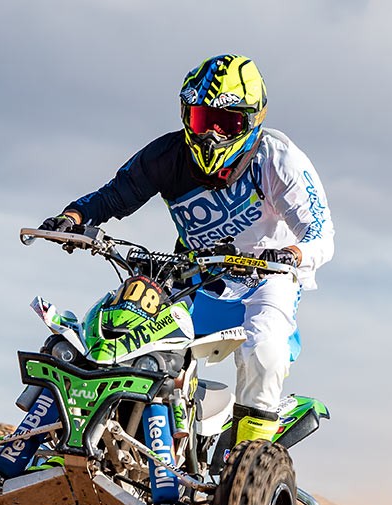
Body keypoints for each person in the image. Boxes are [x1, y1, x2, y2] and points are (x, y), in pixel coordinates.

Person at [38, 54, 334, 445]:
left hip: (266, 280)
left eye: (225, 123)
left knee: (265, 352)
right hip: (194, 276)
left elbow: (320, 233)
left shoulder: (278, 159)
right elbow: (114, 195)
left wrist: (292, 255)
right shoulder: (167, 156)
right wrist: (73, 217)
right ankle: (82, 438)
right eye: (201, 119)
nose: (210, 135)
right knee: (118, 334)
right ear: (185, 116)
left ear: (252, 121)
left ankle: (246, 456)